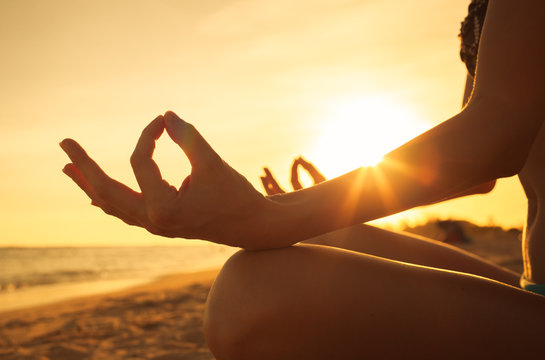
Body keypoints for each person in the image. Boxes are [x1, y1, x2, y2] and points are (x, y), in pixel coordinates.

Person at [60, 0, 545, 358]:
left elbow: (497, 135)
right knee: (325, 231)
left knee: (247, 296)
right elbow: (479, 163)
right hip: (532, 284)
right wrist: (313, 197)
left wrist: (268, 217)